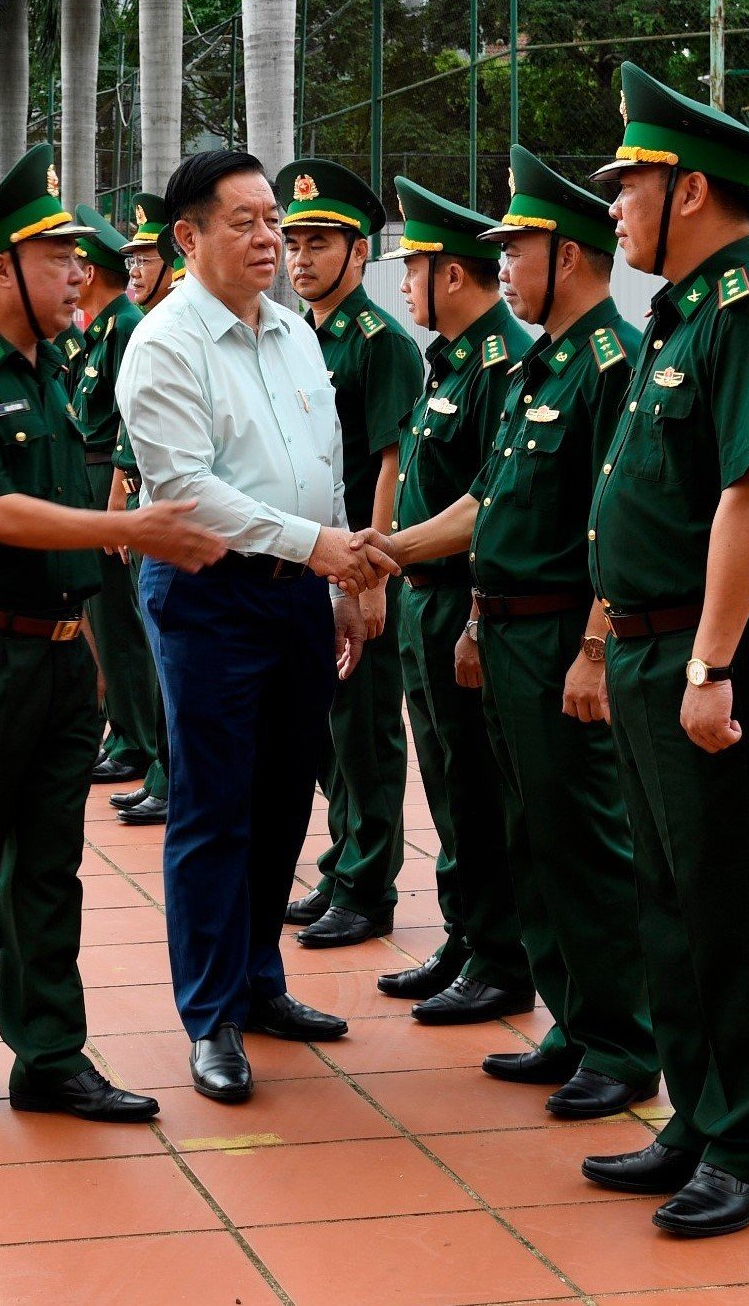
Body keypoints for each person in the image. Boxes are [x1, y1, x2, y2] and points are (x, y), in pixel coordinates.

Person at [0, 144, 228, 1126]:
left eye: (78, 257)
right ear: (2, 269)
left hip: (57, 652)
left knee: (46, 862)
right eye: (58, 256)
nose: (80, 273)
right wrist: (129, 530)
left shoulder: (50, 366)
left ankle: (48, 1052)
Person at [355, 146, 659, 1121]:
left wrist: (594, 647)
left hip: (563, 640)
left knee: (584, 845)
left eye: (515, 249)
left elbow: (615, 522)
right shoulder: (546, 367)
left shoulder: (607, 364)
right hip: (509, 631)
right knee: (533, 839)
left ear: (561, 256)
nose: (503, 268)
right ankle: (574, 1023)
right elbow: (489, 505)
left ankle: (621, 1042)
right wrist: (388, 550)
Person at [576, 62, 749, 1237]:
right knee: (663, 897)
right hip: (642, 650)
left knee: (729, 901)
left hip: (708, 655)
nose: (613, 203)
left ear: (690, 190)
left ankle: (748, 1144)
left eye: (630, 184)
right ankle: (693, 1112)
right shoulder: (677, 316)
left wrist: (711, 666)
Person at [115, 150, 393, 1104]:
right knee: (211, 805)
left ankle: (259, 982)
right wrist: (318, 545)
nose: (271, 237)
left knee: (282, 798)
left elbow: (327, 457)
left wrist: (341, 577)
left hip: (299, 594)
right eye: (246, 221)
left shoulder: (295, 335)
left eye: (274, 219)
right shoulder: (164, 345)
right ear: (188, 237)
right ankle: (211, 1016)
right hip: (210, 596)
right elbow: (189, 492)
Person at [370, 177, 539, 1027]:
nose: (404, 286)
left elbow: (489, 504)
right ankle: (464, 935)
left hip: (462, 601)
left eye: (416, 270)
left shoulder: (503, 365)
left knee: (478, 785)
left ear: (456, 276)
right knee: (443, 779)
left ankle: (502, 956)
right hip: (420, 600)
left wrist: (463, 607)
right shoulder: (450, 357)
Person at [272, 159, 421, 950]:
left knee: (366, 733)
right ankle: (341, 864)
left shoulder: (379, 341)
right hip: (314, 561)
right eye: (293, 241)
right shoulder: (299, 336)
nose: (301, 258)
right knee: (329, 731)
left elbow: (392, 459)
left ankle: (369, 887)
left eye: (320, 242)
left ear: (359, 254)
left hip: (358, 563)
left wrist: (371, 575)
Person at [66, 204, 170, 827]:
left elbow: (131, 416)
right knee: (107, 619)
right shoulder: (103, 330)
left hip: (113, 476)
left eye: (143, 259)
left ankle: (141, 743)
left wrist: (116, 493)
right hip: (95, 473)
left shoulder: (127, 326)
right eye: (128, 259)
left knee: (126, 628)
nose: (73, 274)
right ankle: (129, 736)